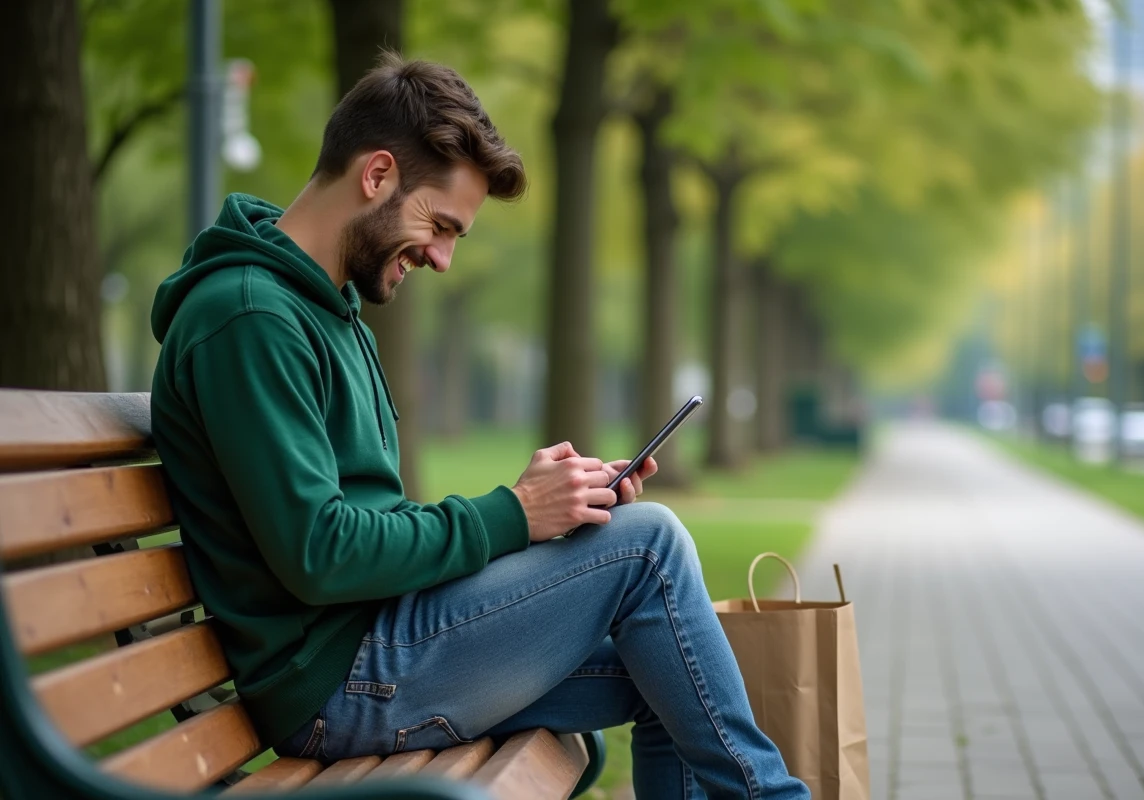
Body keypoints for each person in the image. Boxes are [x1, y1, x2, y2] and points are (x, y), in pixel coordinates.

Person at [150, 52, 809, 800]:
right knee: (651, 548)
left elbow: (369, 525)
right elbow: (320, 553)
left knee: (669, 655)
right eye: (441, 225)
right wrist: (512, 515)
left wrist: (551, 518)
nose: (442, 257)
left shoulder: (323, 308)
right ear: (376, 176)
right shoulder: (250, 318)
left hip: (376, 643)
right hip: (336, 687)